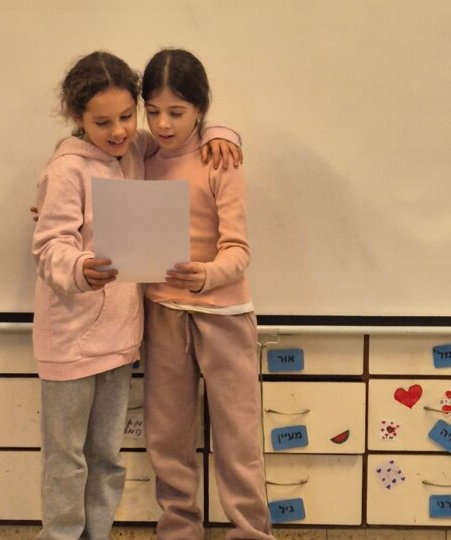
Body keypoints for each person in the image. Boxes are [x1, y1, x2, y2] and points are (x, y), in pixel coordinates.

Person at [31, 50, 241, 540]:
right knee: (67, 458)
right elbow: (48, 247)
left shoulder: (136, 152)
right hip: (69, 342)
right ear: (78, 117)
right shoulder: (66, 169)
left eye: (128, 116)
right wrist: (79, 268)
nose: (119, 130)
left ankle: (95, 534)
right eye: (103, 122)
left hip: (119, 341)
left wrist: (221, 132)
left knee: (106, 457)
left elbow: (187, 131)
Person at [141, 48, 275, 540]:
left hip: (223, 313)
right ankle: (179, 529)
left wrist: (206, 275)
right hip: (163, 313)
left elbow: (238, 249)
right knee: (167, 436)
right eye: (153, 110)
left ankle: (250, 532)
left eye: (176, 112)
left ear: (200, 108)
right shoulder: (141, 156)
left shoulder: (221, 159)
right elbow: (82, 147)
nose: (163, 124)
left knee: (238, 436)